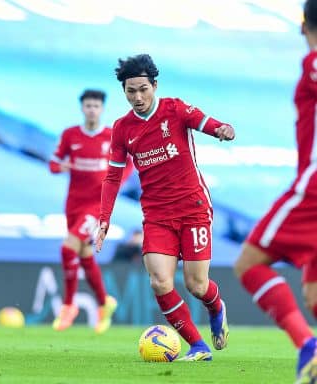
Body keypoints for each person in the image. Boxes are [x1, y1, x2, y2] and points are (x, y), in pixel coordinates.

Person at [95, 54, 235, 361]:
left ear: (154, 86)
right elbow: (113, 176)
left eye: (143, 89)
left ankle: (216, 307)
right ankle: (198, 347)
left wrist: (222, 129)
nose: (138, 97)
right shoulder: (122, 129)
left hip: (193, 207)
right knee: (160, 281)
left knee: (197, 285)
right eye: (131, 91)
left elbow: (206, 122)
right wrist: (104, 219)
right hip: (157, 215)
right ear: (124, 91)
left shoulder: (175, 109)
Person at [234, 1, 317, 381]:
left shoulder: (312, 63)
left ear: (303, 25)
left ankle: (307, 346)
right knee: (314, 298)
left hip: (313, 187)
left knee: (249, 263)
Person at [49, 89, 133, 334]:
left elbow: (128, 163)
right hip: (74, 203)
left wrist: (117, 182)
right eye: (88, 106)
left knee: (67, 248)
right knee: (85, 255)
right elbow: (53, 163)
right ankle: (104, 302)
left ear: (102, 108)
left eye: (96, 106)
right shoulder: (70, 135)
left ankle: (68, 305)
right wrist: (60, 166)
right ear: (82, 108)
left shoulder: (111, 136)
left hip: (96, 206)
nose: (92, 110)